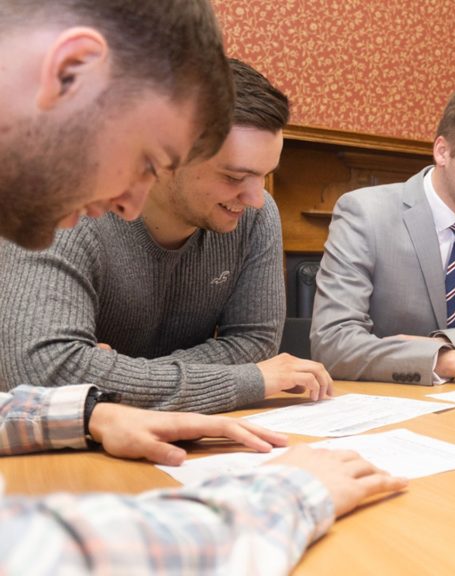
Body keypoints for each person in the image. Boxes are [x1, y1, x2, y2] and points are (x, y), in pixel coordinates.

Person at [0, 1, 405, 573]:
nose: (125, 201)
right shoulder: (60, 209)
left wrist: (97, 404)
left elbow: (252, 343)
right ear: (70, 71)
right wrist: (285, 491)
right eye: (144, 158)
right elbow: (49, 547)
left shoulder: (246, 215)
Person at [0, 59, 333, 413]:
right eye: (235, 178)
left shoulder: (257, 213)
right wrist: (246, 380)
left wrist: (107, 377)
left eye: (264, 175)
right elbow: (39, 371)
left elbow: (254, 343)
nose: (254, 198)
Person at [312, 81, 455, 385]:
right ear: (443, 152)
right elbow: (332, 343)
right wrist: (449, 360)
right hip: (388, 409)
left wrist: (442, 343)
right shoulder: (365, 213)